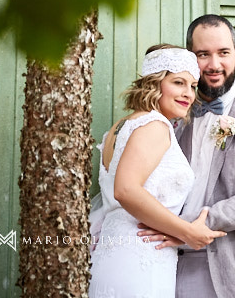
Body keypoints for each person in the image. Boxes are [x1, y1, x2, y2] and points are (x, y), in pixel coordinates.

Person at [138, 14, 235, 298]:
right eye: (203, 54)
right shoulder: (170, 121)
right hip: (170, 263)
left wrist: (188, 227)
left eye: (223, 53)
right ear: (190, 60)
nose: (214, 64)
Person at [89, 44, 226, 298]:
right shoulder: (155, 125)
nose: (189, 94)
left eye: (193, 86)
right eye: (178, 83)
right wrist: (187, 232)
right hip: (141, 260)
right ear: (155, 83)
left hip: (112, 257)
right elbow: (126, 190)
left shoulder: (120, 127)